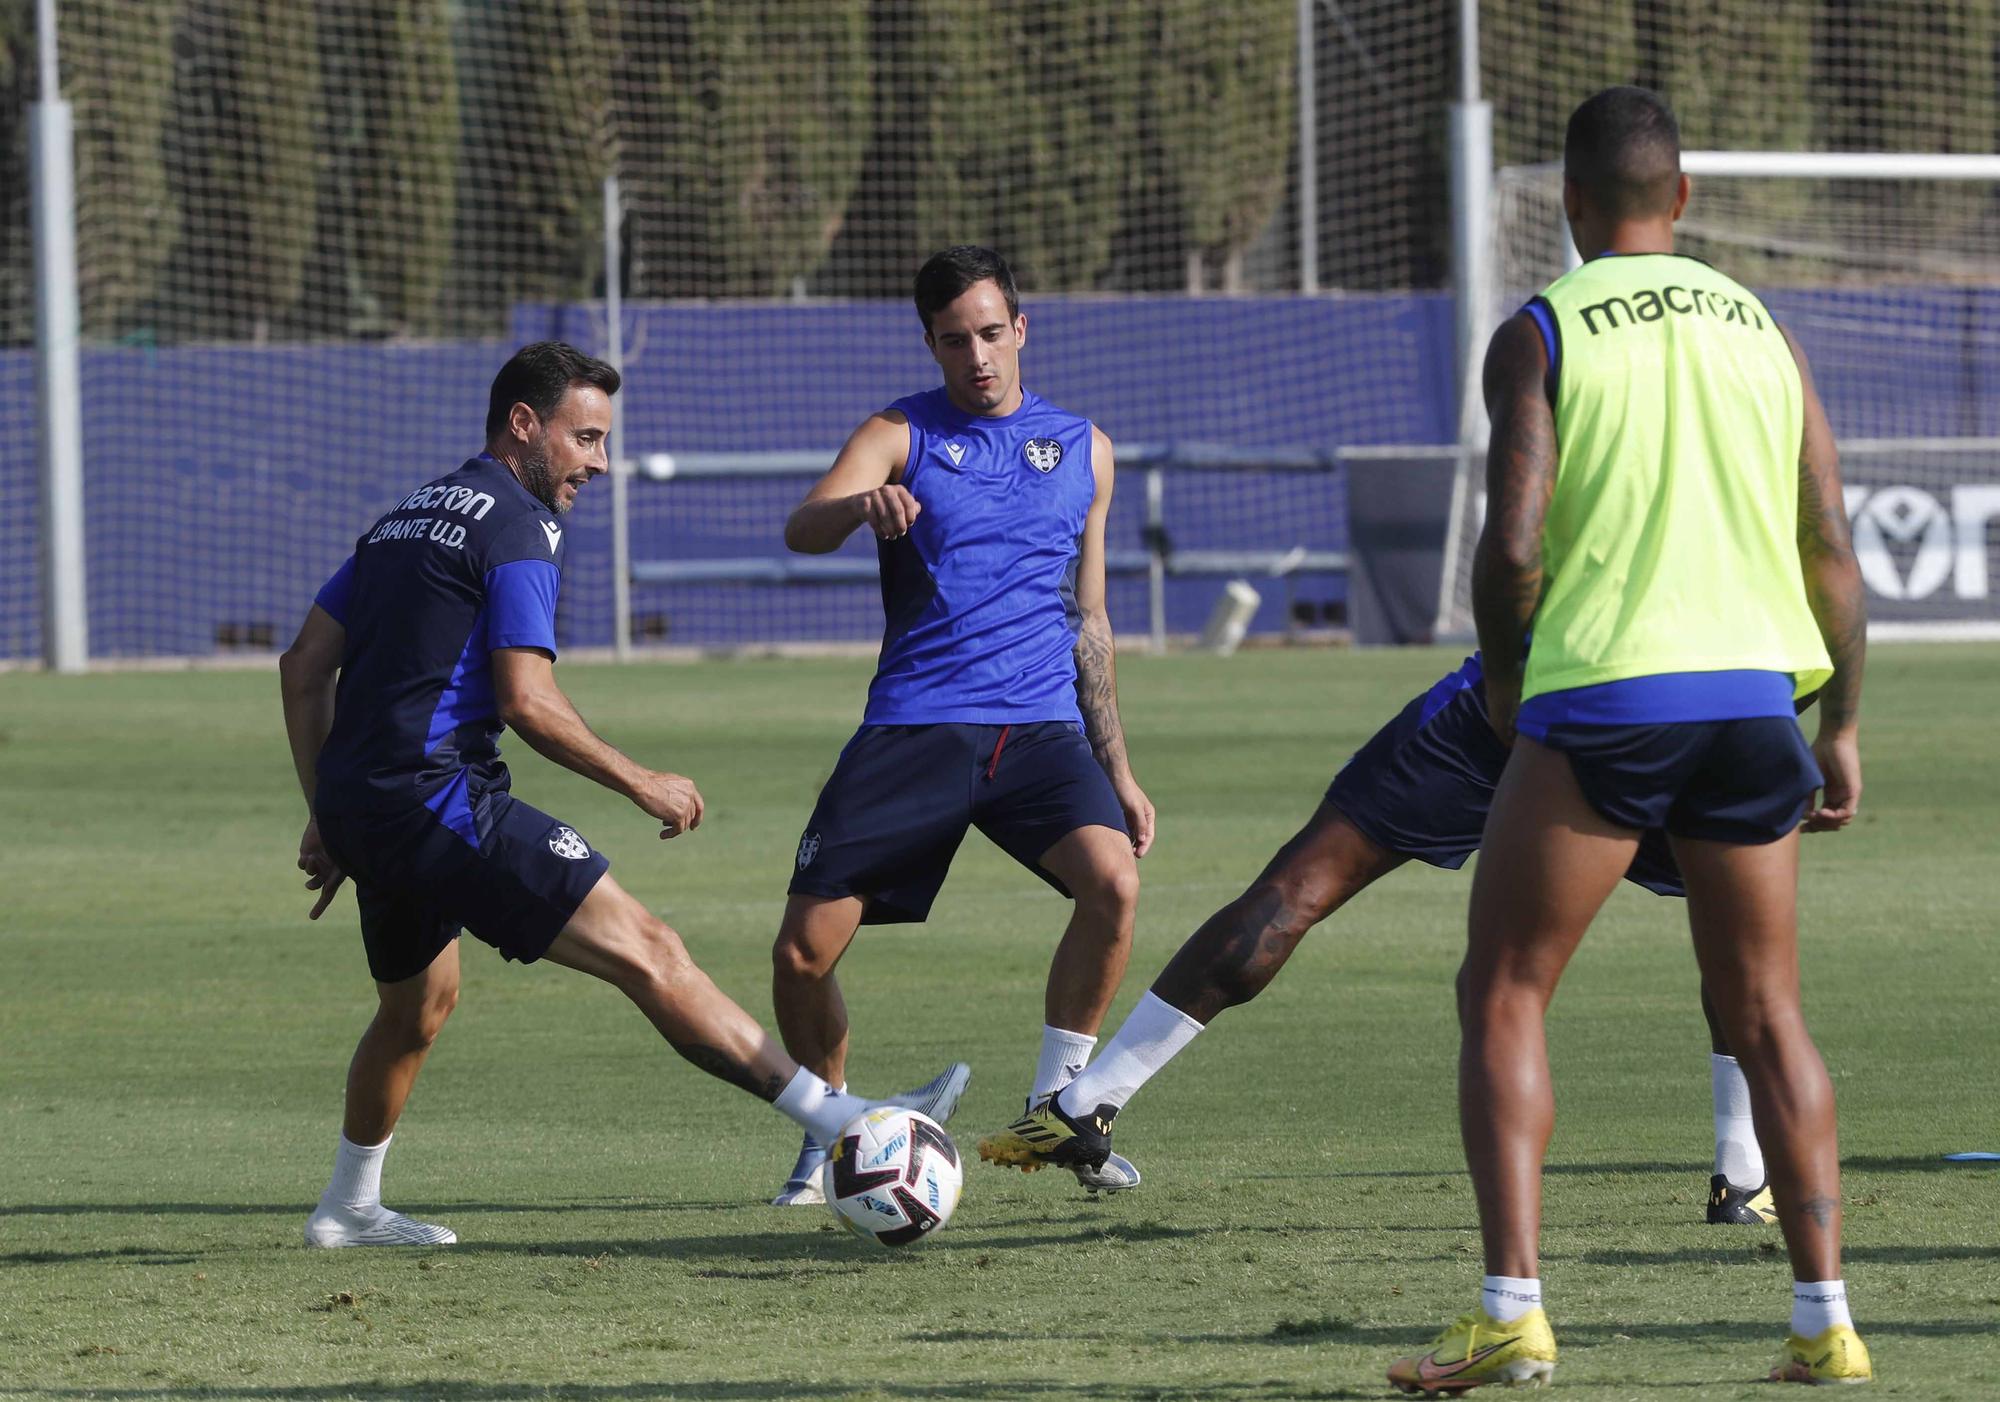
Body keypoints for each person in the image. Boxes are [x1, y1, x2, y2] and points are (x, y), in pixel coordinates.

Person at [1383, 88, 1870, 1390]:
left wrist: (1501, 679)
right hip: (1760, 703)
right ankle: (1825, 1322)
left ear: (1571, 207)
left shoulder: (1544, 328)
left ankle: (1512, 1312)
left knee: (1503, 988)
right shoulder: (1766, 330)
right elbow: (1832, 547)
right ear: (1687, 197)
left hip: (1613, 697)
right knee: (1770, 1013)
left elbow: (1516, 538)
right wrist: (1847, 724)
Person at [279, 341, 962, 1247]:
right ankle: (847, 1123)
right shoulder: (519, 523)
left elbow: (302, 667)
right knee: (651, 950)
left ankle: (347, 1208)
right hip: (437, 799)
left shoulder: (404, 517)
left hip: (373, 806)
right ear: (524, 426)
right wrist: (642, 779)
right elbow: (527, 699)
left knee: (418, 1005)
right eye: (586, 438)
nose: (599, 463)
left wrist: (329, 809)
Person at [976, 648, 1780, 1226]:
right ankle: (1740, 1174)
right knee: (1730, 913)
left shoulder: (1572, 411)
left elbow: (1511, 547)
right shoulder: (1758, 427)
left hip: (1519, 694)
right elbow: (1820, 585)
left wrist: (1504, 689)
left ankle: (1088, 1099)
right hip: (1690, 704)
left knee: (1297, 890)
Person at [765, 245, 1155, 1206]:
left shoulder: (1084, 448)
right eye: (953, 340)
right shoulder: (901, 433)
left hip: (1040, 731)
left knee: (1113, 884)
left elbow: (1089, 618)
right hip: (916, 726)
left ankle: (1058, 1111)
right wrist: (863, 505)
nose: (976, 355)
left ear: (1020, 329)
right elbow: (803, 525)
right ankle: (832, 1129)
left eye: (990, 333)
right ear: (931, 344)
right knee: (801, 955)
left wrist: (1122, 766)